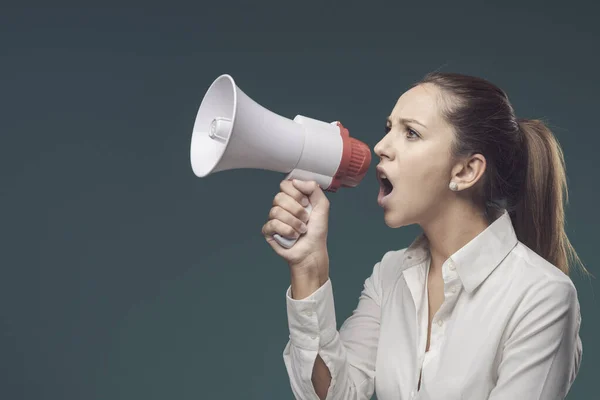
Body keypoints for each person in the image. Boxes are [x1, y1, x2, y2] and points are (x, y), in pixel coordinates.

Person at [261, 72, 586, 400]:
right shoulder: (390, 275)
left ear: (465, 170)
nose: (381, 147)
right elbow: (334, 395)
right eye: (389, 128)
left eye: (411, 133)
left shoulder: (542, 298)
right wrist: (308, 266)